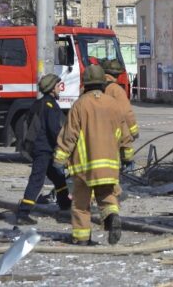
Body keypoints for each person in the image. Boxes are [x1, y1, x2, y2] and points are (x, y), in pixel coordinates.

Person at [54, 65, 134, 245]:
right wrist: (127, 156)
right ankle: (112, 217)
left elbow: (70, 135)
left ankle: (82, 238)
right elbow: (125, 134)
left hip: (85, 166)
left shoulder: (80, 105)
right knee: (107, 196)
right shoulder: (113, 104)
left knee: (81, 204)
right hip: (109, 165)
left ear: (86, 84)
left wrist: (59, 158)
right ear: (102, 83)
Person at [15, 74, 72, 225]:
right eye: (58, 85)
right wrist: (64, 146)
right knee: (37, 179)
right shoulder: (50, 106)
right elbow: (55, 130)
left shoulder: (39, 103)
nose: (60, 88)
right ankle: (23, 212)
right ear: (52, 88)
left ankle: (65, 205)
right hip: (44, 149)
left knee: (58, 178)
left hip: (40, 148)